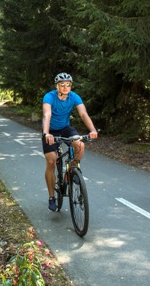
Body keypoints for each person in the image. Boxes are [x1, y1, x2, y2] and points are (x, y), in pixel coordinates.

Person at [42, 72, 99, 211]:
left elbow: (83, 114)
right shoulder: (49, 96)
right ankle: (51, 197)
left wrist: (92, 130)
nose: (65, 87)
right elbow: (47, 114)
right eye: (62, 85)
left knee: (80, 145)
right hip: (51, 130)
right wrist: (46, 133)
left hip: (65, 128)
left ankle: (72, 170)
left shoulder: (74, 97)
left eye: (68, 85)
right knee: (51, 162)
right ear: (57, 86)